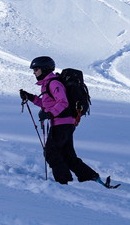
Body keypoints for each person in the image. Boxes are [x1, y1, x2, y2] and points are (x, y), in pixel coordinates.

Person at [19, 56, 107, 186]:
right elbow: (47, 104)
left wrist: (49, 113)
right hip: (63, 123)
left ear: (44, 69)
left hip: (62, 123)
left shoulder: (54, 83)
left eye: (36, 69)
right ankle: (91, 177)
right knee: (67, 155)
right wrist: (30, 97)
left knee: (51, 152)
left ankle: (63, 181)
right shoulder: (47, 84)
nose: (34, 72)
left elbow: (63, 102)